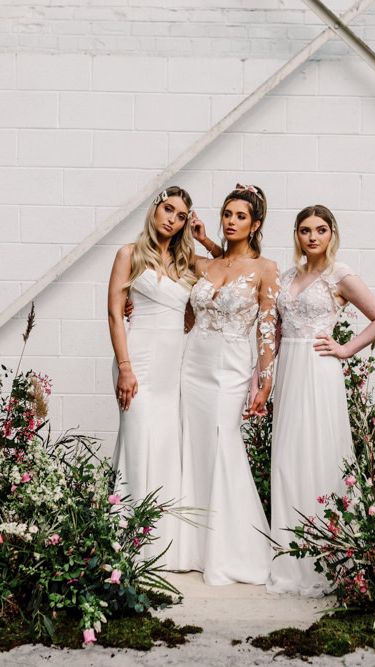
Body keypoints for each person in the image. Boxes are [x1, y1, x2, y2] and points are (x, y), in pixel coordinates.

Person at [267, 204, 375, 596]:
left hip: (319, 370)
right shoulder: (287, 276)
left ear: (331, 234)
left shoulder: (340, 275)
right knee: (288, 455)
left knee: (319, 452)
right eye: (305, 230)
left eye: (320, 230)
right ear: (297, 235)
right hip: (289, 367)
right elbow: (273, 326)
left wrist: (345, 349)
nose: (313, 237)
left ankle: (327, 554)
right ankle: (289, 554)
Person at [108, 185, 219, 567]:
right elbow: (113, 314)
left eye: (181, 215)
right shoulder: (129, 254)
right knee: (137, 441)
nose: (172, 218)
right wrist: (125, 367)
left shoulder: (187, 263)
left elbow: (230, 267)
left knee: (166, 445)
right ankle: (127, 542)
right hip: (136, 361)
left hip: (172, 368)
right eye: (168, 209)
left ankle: (160, 544)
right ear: (155, 210)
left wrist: (206, 240)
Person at [177, 184, 278, 586]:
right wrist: (132, 302)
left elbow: (268, 329)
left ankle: (232, 550)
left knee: (223, 440)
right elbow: (165, 282)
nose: (231, 221)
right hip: (193, 362)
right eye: (227, 214)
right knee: (193, 442)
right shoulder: (206, 265)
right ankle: (192, 548)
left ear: (255, 225)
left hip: (232, 366)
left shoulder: (266, 269)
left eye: (240, 216)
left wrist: (264, 383)